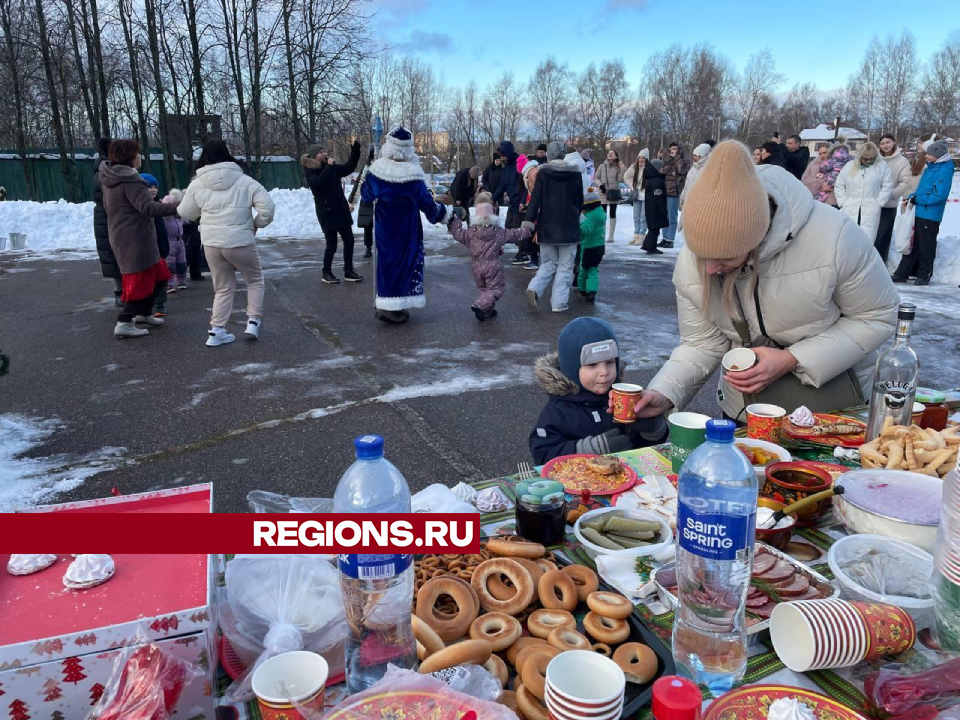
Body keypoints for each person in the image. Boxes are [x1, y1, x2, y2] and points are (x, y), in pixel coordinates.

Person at [625, 141, 898, 422]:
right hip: (746, 410)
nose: (708, 270)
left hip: (832, 411)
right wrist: (665, 391)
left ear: (756, 239)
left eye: (723, 258)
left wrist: (793, 359)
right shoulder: (693, 260)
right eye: (700, 255)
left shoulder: (835, 238)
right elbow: (702, 343)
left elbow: (877, 316)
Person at [529, 317, 668, 464]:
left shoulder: (622, 400)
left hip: (626, 479)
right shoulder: (557, 412)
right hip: (580, 484)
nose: (604, 372)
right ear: (571, 370)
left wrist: (653, 429)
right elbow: (543, 455)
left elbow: (645, 450)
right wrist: (591, 449)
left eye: (609, 362)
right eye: (592, 364)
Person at [178, 139, 275, 346]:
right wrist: (256, 224)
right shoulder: (246, 181)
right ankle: (252, 322)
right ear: (228, 154)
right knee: (255, 280)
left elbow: (185, 212)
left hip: (212, 244)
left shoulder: (196, 184)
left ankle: (216, 331)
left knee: (222, 288)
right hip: (241, 241)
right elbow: (268, 208)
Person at [361, 126, 452, 324]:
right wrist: (445, 214)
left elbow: (366, 195)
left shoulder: (376, 172)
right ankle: (394, 307)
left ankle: (388, 304)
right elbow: (428, 205)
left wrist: (367, 178)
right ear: (408, 150)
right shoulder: (413, 177)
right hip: (407, 228)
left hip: (384, 227)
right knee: (405, 264)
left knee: (387, 263)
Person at [98, 140, 179, 339]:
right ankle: (124, 322)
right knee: (141, 283)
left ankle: (143, 313)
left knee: (160, 276)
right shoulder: (131, 181)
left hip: (125, 237)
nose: (139, 157)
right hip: (136, 241)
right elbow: (149, 208)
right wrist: (179, 206)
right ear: (130, 157)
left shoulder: (111, 178)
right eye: (137, 153)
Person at [447, 192, 530, 321]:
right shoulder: (498, 232)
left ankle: (487, 311)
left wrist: (454, 220)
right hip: (493, 266)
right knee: (497, 289)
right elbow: (515, 234)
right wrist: (527, 229)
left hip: (476, 266)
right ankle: (480, 305)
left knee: (484, 290)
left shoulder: (470, 233)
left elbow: (458, 233)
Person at [523, 141, 583, 313]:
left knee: (548, 263)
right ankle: (559, 303)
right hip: (570, 227)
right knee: (565, 266)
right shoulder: (575, 174)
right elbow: (579, 201)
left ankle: (535, 287)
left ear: (548, 155)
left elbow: (535, 200)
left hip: (547, 226)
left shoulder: (543, 174)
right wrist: (575, 216)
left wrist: (529, 223)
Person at [892, 139, 953, 286]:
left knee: (926, 245)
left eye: (929, 154)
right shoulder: (930, 168)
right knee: (912, 244)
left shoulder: (944, 171)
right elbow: (921, 190)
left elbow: (939, 195)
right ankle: (903, 273)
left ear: (937, 155)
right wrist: (912, 197)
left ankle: (924, 274)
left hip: (930, 215)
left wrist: (918, 200)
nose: (926, 156)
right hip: (919, 212)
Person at [301, 140, 363, 284]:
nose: (324, 154)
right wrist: (329, 166)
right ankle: (326, 272)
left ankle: (348, 270)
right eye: (321, 152)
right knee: (332, 244)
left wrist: (355, 152)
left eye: (324, 152)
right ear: (314, 156)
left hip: (340, 210)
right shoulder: (310, 171)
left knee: (349, 240)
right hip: (327, 212)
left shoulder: (331, 168)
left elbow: (348, 168)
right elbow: (319, 183)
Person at [834, 141, 893, 243]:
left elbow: (887, 186)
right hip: (850, 207)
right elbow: (839, 184)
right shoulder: (849, 166)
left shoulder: (881, 166)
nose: (869, 161)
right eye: (866, 158)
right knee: (848, 238)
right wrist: (843, 202)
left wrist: (879, 202)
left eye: (872, 158)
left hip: (871, 208)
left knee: (867, 240)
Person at [874, 134, 914, 261]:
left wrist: (891, 194)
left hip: (888, 204)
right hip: (871, 203)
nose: (885, 145)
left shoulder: (902, 162)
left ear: (894, 143)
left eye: (888, 142)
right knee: (870, 235)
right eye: (882, 143)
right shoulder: (875, 159)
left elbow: (905, 181)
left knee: (882, 236)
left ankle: (880, 263)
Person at [92, 138, 122, 306]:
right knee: (114, 255)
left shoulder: (105, 169)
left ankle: (123, 292)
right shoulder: (106, 171)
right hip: (108, 217)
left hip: (107, 216)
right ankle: (120, 293)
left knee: (115, 254)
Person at [140, 173, 170, 317]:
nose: (153, 190)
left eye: (155, 187)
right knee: (147, 279)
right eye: (149, 187)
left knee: (161, 278)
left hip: (160, 248)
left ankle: (159, 305)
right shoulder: (141, 207)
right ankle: (145, 306)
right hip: (147, 249)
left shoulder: (158, 205)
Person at [493, 141, 525, 266]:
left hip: (520, 202)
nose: (502, 159)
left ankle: (523, 252)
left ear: (508, 153)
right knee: (508, 227)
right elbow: (503, 184)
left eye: (503, 156)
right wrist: (493, 198)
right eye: (500, 156)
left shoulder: (519, 163)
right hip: (512, 202)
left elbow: (525, 185)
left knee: (518, 229)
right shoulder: (506, 166)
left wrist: (523, 201)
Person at [576, 191, 606, 302]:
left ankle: (583, 289)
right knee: (593, 269)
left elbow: (585, 231)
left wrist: (577, 229)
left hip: (588, 247)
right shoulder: (601, 214)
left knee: (584, 269)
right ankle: (592, 291)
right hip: (600, 247)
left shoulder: (590, 218)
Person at [661, 142, 689, 248]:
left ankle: (670, 239)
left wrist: (676, 158)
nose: (672, 150)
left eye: (674, 149)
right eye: (671, 148)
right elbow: (661, 171)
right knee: (664, 216)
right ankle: (664, 238)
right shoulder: (668, 161)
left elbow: (682, 171)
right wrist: (660, 157)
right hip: (665, 191)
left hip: (675, 192)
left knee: (672, 217)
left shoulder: (684, 161)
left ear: (679, 150)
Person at [594, 150, 625, 243]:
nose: (610, 154)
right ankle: (602, 234)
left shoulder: (618, 166)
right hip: (603, 192)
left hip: (613, 193)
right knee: (603, 214)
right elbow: (596, 177)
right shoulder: (602, 166)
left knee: (612, 213)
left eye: (612, 153)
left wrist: (623, 169)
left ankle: (611, 236)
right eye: (608, 153)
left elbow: (620, 180)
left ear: (616, 156)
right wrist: (600, 185)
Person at [640, 159, 668, 255]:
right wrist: (663, 210)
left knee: (653, 228)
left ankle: (647, 245)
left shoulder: (652, 179)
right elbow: (658, 197)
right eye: (661, 167)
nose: (663, 169)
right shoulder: (656, 181)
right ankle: (651, 247)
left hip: (651, 207)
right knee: (654, 229)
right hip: (655, 208)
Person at [623, 149, 649, 245]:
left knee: (643, 217)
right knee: (636, 216)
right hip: (637, 195)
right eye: (640, 158)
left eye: (643, 158)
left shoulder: (649, 168)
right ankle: (636, 235)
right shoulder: (634, 167)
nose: (641, 160)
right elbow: (626, 177)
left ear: (647, 159)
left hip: (646, 196)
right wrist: (632, 185)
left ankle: (642, 236)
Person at [162, 191, 187, 291]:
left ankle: (181, 280)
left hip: (179, 241)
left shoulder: (179, 217)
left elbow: (188, 220)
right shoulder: (164, 218)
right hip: (169, 241)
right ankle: (169, 282)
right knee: (170, 262)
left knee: (181, 262)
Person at [519, 160, 541, 270]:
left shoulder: (538, 186)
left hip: (538, 218)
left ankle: (535, 260)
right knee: (531, 239)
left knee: (535, 240)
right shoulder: (529, 189)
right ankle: (534, 259)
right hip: (532, 217)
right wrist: (524, 205)